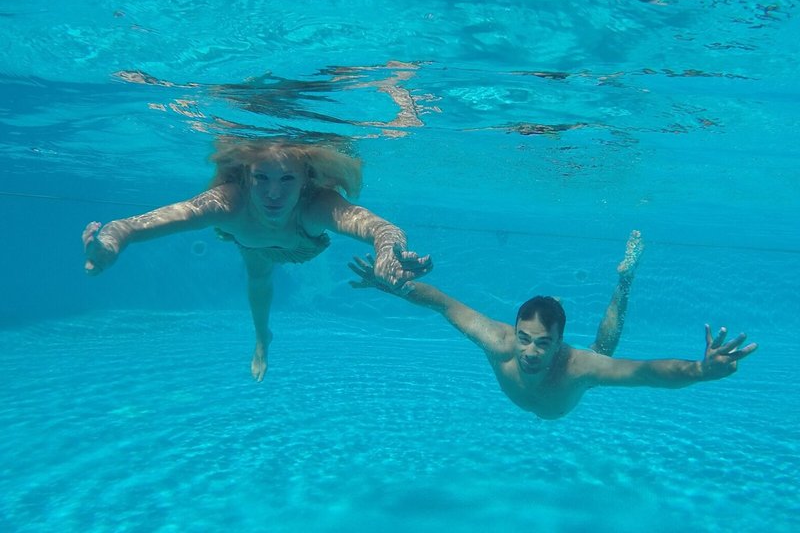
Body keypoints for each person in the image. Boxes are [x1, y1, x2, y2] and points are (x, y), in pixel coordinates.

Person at [83, 137, 432, 381]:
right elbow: (135, 224)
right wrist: (112, 242)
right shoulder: (227, 202)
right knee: (259, 279)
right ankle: (262, 337)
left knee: (262, 275)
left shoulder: (316, 205)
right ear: (246, 178)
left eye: (287, 179)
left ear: (306, 180)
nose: (274, 193)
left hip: (301, 242)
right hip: (252, 244)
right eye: (261, 178)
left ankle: (265, 334)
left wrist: (387, 252)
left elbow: (381, 228)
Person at [348, 230, 757, 420]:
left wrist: (701, 371)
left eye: (543, 344)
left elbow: (647, 372)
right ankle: (562, 301)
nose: (529, 352)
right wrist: (393, 286)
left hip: (580, 368)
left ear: (561, 343)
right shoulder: (498, 341)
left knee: (604, 353)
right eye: (524, 338)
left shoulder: (578, 366)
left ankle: (624, 279)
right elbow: (441, 302)